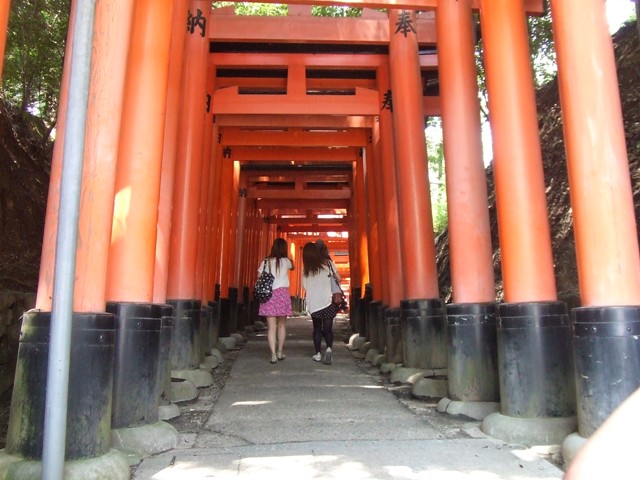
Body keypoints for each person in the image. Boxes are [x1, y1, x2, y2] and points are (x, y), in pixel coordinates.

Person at [257, 238, 294, 364]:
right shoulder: (286, 261)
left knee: (271, 327)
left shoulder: (266, 261)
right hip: (282, 294)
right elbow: (293, 267)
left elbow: (259, 277)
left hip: (269, 294)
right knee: (282, 325)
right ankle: (280, 351)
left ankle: (272, 354)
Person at [302, 241, 337, 365]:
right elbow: (337, 279)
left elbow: (304, 286)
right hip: (327, 302)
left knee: (317, 329)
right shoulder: (327, 267)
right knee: (328, 329)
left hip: (314, 303)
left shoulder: (306, 271)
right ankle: (329, 349)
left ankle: (317, 353)